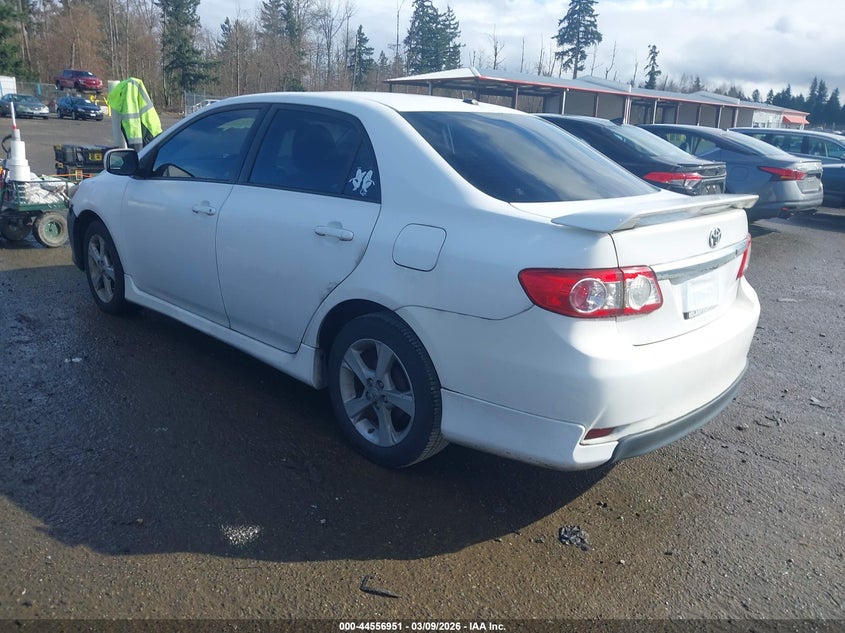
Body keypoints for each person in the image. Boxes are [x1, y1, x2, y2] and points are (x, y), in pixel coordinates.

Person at [107, 77, 162, 151]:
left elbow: (133, 126)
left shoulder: (130, 92)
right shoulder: (133, 89)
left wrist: (137, 152)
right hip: (153, 137)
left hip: (150, 139)